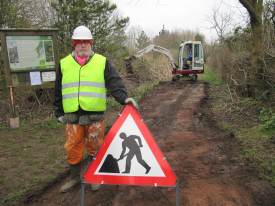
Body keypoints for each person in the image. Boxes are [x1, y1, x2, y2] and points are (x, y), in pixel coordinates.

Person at [53, 25, 138, 193]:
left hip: (94, 117)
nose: (82, 45)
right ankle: (74, 178)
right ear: (74, 44)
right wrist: (58, 111)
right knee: (72, 148)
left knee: (96, 147)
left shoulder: (102, 62)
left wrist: (124, 98)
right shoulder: (64, 64)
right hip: (72, 117)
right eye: (79, 42)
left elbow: (114, 82)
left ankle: (94, 176)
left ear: (91, 43)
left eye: (86, 42)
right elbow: (58, 89)